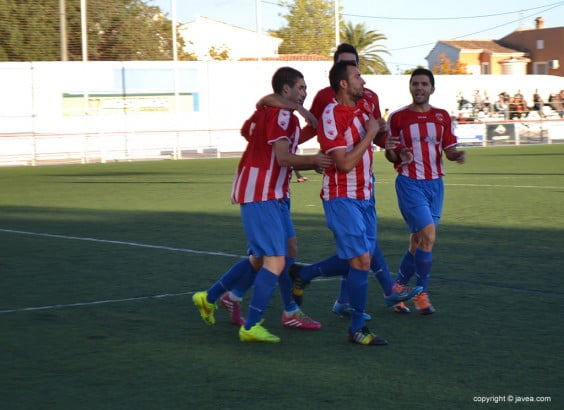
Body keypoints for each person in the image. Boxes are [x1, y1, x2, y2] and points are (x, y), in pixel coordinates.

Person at [257, 44, 413, 319]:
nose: (361, 77)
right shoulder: (326, 103)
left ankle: (315, 281)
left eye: (355, 64)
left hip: (366, 188)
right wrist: (298, 148)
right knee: (362, 256)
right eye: (350, 68)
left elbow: (375, 133)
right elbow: (317, 129)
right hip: (342, 189)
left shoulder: (368, 99)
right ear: (339, 74)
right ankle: (374, 304)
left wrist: (387, 142)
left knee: (360, 254)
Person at [192, 67, 332, 343]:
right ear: (286, 90)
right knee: (275, 260)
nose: (305, 93)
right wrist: (314, 161)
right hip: (261, 192)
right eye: (300, 88)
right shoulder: (281, 115)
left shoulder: (278, 115)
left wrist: (303, 121)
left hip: (275, 194)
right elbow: (282, 157)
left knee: (273, 254)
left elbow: (251, 131)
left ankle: (215, 298)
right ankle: (254, 324)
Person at [384, 68, 465, 315]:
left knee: (418, 241)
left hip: (435, 185)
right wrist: (398, 154)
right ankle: (421, 293)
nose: (419, 88)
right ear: (410, 87)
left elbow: (449, 149)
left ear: (432, 88)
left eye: (423, 84)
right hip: (410, 183)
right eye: (415, 84)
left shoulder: (442, 117)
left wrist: (456, 155)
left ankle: (397, 289)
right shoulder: (397, 118)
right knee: (428, 236)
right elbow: (390, 154)